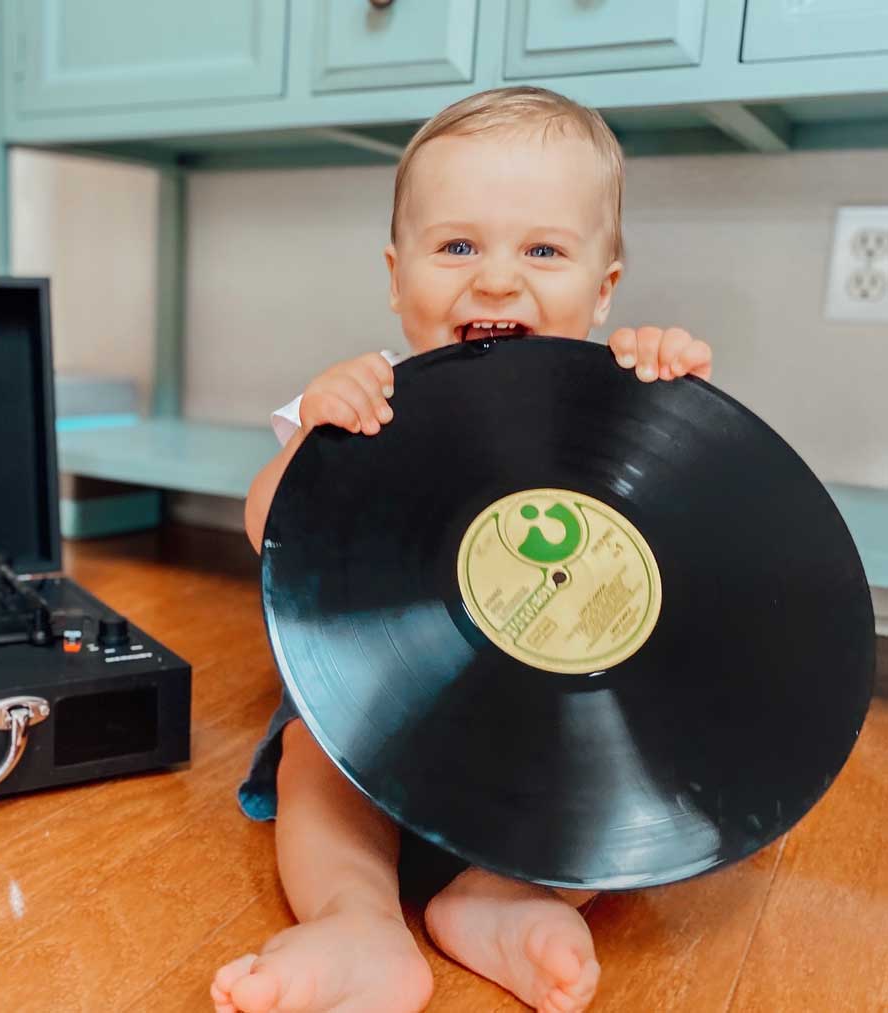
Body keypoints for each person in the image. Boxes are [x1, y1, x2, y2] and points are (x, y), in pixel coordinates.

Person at [211, 86, 714, 1013]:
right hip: (379, 705)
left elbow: (689, 518)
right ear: (397, 277)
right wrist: (315, 435)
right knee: (312, 763)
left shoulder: (618, 401)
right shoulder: (375, 395)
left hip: (555, 712)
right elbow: (262, 523)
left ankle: (504, 894)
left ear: (604, 288)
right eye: (457, 246)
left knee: (619, 786)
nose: (494, 279)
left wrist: (672, 394)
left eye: (544, 250)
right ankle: (357, 921)